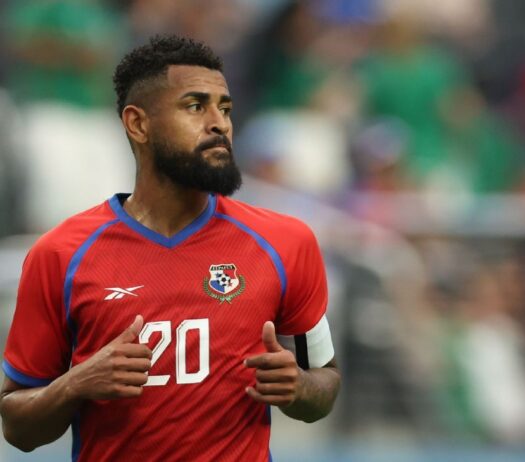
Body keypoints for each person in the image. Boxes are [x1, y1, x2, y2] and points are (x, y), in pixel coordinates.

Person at [0, 36, 340, 461]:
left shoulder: (286, 243)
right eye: (195, 106)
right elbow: (17, 428)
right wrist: (75, 384)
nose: (219, 124)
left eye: (225, 108)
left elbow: (325, 381)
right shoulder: (61, 255)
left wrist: (299, 387)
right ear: (138, 124)